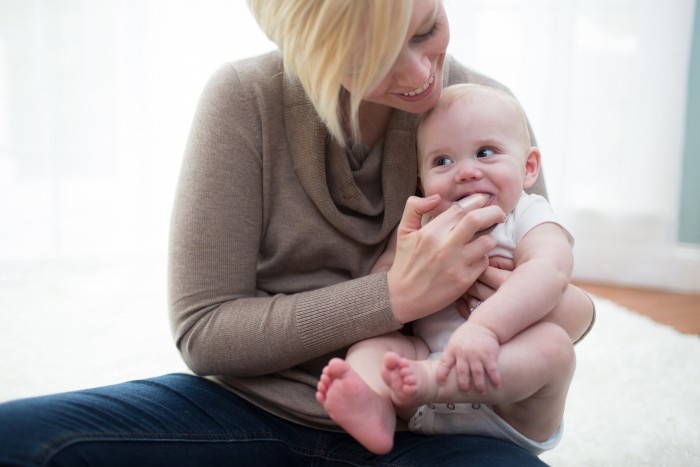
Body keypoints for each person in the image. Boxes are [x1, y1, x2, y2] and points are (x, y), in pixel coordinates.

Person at [0, 1, 595, 465]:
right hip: (245, 410)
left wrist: (514, 305)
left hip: (433, 427)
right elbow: (204, 331)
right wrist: (396, 297)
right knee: (19, 440)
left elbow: (565, 297)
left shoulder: (480, 112)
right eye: (374, 56)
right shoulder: (244, 101)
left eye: (427, 28)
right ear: (304, 47)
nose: (420, 73)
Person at [316, 83, 585, 455]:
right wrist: (399, 271)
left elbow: (550, 270)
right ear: (421, 180)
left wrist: (486, 328)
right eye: (442, 161)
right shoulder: (429, 224)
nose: (465, 172)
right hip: (423, 383)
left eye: (485, 153)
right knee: (376, 343)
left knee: (553, 348)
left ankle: (432, 381)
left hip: (510, 407)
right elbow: (383, 289)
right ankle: (374, 401)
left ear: (528, 168)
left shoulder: (527, 213)